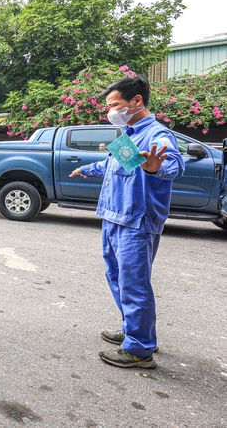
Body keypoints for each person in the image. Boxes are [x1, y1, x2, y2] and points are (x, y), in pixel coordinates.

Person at [69, 75, 184, 369]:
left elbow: (171, 164)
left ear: (137, 101)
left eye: (115, 104)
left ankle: (140, 350)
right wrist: (86, 169)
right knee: (117, 278)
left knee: (134, 284)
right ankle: (134, 329)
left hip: (136, 220)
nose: (111, 111)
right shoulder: (128, 134)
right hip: (113, 215)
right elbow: (111, 165)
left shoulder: (156, 134)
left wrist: (156, 168)